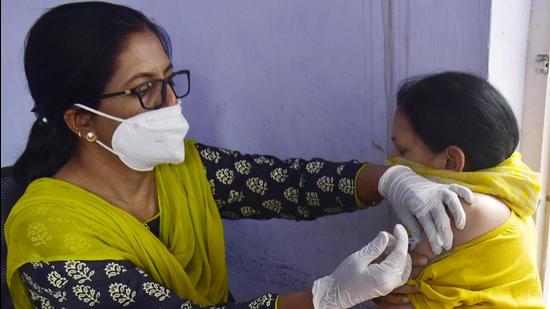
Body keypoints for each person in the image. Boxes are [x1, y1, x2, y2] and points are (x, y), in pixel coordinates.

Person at [4, 2, 473, 308]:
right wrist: (326, 297)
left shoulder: (177, 168)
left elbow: (286, 184)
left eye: (170, 79)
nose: (172, 104)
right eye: (144, 89)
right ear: (80, 120)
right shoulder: (51, 239)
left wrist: (393, 181)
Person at [376, 72, 545, 308]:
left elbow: (393, 297)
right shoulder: (510, 190)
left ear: (451, 161)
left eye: (403, 151)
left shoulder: (461, 208)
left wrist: (371, 280)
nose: (391, 161)